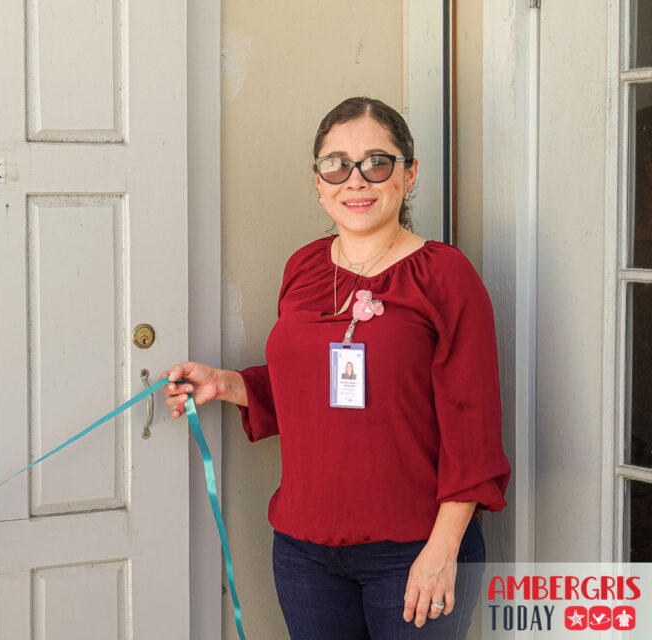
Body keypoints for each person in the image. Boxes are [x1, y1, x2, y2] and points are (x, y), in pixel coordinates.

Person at [162, 96, 510, 639]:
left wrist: (444, 549)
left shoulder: (445, 276)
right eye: (336, 164)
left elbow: (474, 423)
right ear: (318, 180)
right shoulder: (302, 267)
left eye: (377, 162)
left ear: (409, 173)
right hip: (305, 555)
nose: (356, 180)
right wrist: (227, 383)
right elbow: (313, 388)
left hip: (414, 551)